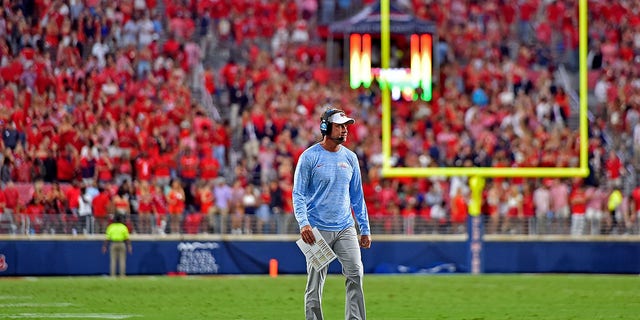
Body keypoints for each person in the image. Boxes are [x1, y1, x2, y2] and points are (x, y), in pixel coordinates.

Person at [292, 107, 371, 320]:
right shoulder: (308, 158)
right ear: (325, 127)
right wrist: (304, 224)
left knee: (356, 272)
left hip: (345, 227)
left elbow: (357, 196)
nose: (345, 130)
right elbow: (298, 193)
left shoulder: (351, 158)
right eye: (339, 126)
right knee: (315, 282)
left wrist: (364, 228)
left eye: (346, 126)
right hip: (317, 229)